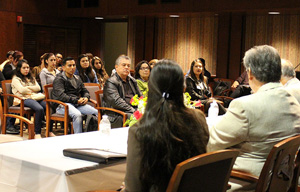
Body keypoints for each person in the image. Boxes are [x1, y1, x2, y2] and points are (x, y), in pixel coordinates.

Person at [207, 45, 300, 191]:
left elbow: (211, 144)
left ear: (250, 73)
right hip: (280, 181)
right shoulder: (294, 102)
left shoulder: (245, 106)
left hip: (247, 182)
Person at [124, 60, 209, 191]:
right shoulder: (198, 119)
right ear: (183, 87)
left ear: (151, 88)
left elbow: (134, 188)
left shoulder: (140, 131)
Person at [52, 57, 98, 134]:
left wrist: (86, 97)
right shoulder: (59, 79)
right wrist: (77, 100)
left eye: (73, 65)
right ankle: (78, 139)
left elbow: (84, 90)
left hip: (77, 104)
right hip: (62, 105)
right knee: (77, 115)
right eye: (69, 65)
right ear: (63, 67)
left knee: (96, 112)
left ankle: (92, 135)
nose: (72, 68)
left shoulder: (77, 78)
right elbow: (61, 96)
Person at [103, 55, 142, 128]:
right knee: (137, 118)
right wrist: (134, 111)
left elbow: (140, 96)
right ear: (116, 67)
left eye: (128, 66)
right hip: (117, 113)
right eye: (124, 65)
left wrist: (143, 107)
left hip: (132, 109)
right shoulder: (111, 81)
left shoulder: (132, 81)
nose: (126, 67)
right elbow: (117, 102)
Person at [11, 59, 47, 139]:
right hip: (23, 99)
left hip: (34, 97)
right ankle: (37, 132)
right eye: (24, 68)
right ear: (19, 68)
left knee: (48, 106)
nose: (26, 69)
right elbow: (22, 90)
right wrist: (30, 89)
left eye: (27, 67)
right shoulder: (16, 79)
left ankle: (49, 130)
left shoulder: (31, 77)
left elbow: (38, 88)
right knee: (39, 109)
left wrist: (27, 87)